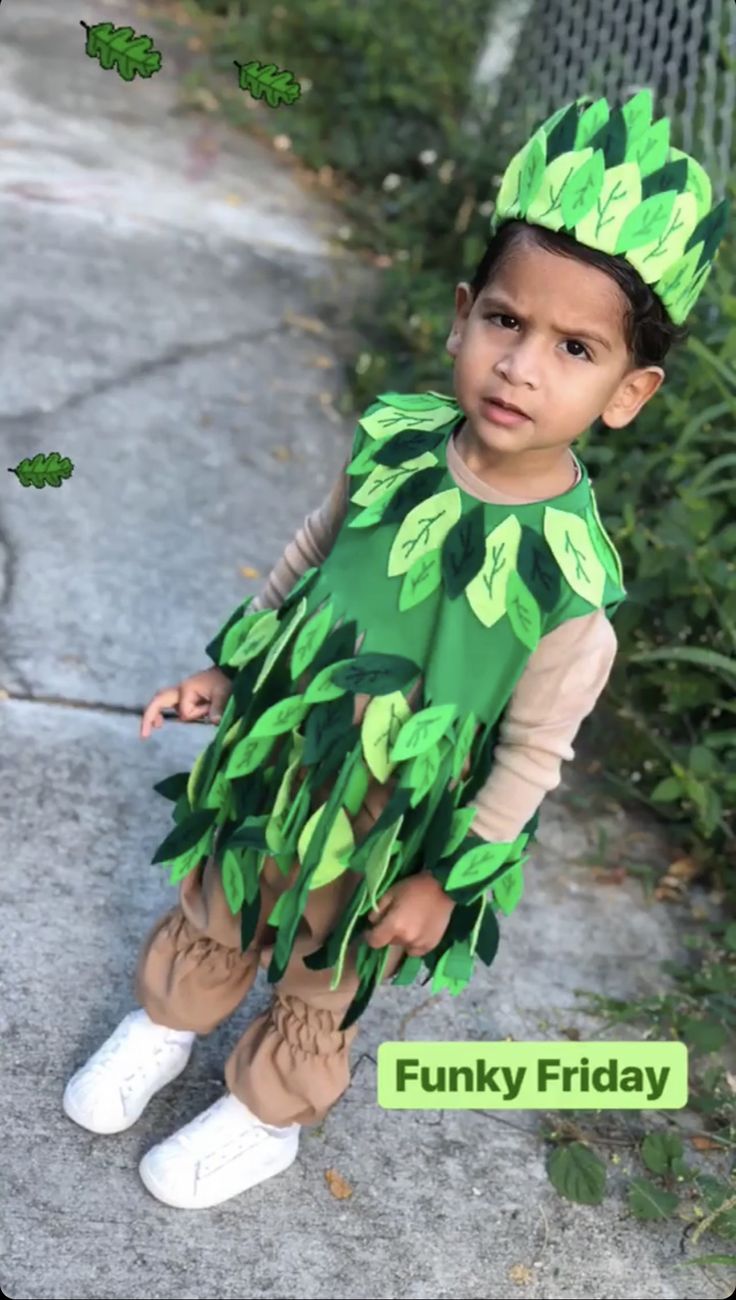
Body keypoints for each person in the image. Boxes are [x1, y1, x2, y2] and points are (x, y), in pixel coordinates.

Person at [63, 88, 728, 1209]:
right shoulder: (394, 444)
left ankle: (267, 1114)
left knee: (328, 959)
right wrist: (230, 668)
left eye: (574, 348)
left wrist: (441, 876)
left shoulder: (569, 584)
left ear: (629, 392)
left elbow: (530, 756)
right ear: (463, 314)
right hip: (283, 762)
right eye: (507, 321)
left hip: (392, 823)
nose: (521, 366)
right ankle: (166, 1022)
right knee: (224, 893)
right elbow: (308, 554)